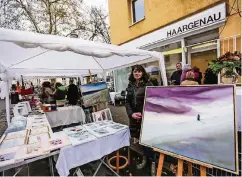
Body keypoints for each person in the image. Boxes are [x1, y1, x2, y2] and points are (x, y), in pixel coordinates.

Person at [125, 65, 154, 175]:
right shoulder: (130, 85)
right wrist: (131, 114)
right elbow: (127, 102)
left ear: (143, 73)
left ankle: (152, 163)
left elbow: (152, 101)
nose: (136, 73)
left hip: (145, 118)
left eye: (139, 71)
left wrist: (144, 113)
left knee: (148, 141)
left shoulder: (149, 84)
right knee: (138, 140)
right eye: (134, 72)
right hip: (134, 119)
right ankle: (144, 159)